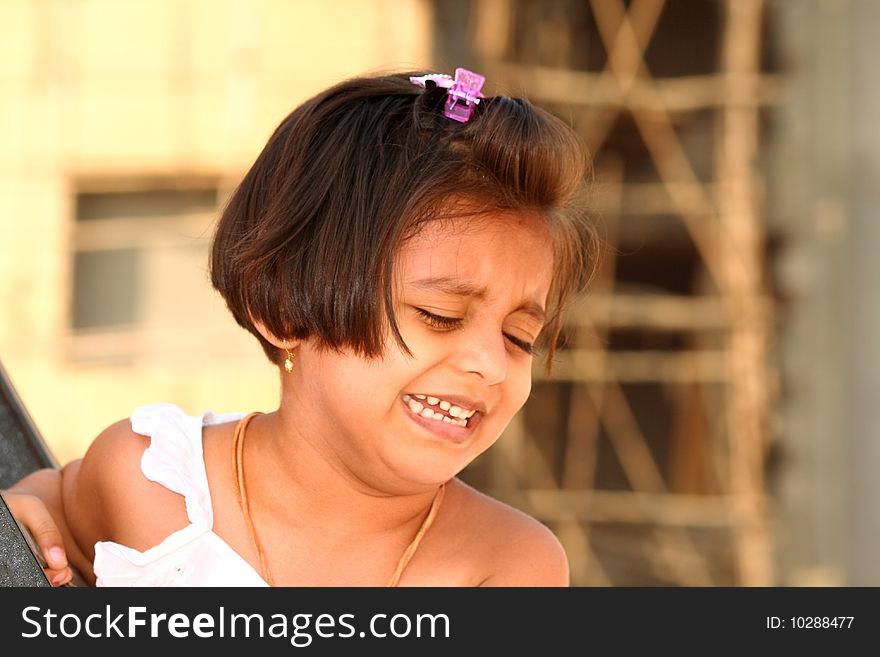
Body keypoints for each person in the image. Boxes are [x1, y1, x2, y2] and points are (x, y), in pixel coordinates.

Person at [3, 67, 595, 587]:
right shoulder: (150, 481)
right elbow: (38, 503)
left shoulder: (508, 566)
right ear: (286, 309)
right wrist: (21, 515)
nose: (489, 364)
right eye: (440, 316)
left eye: (521, 338)